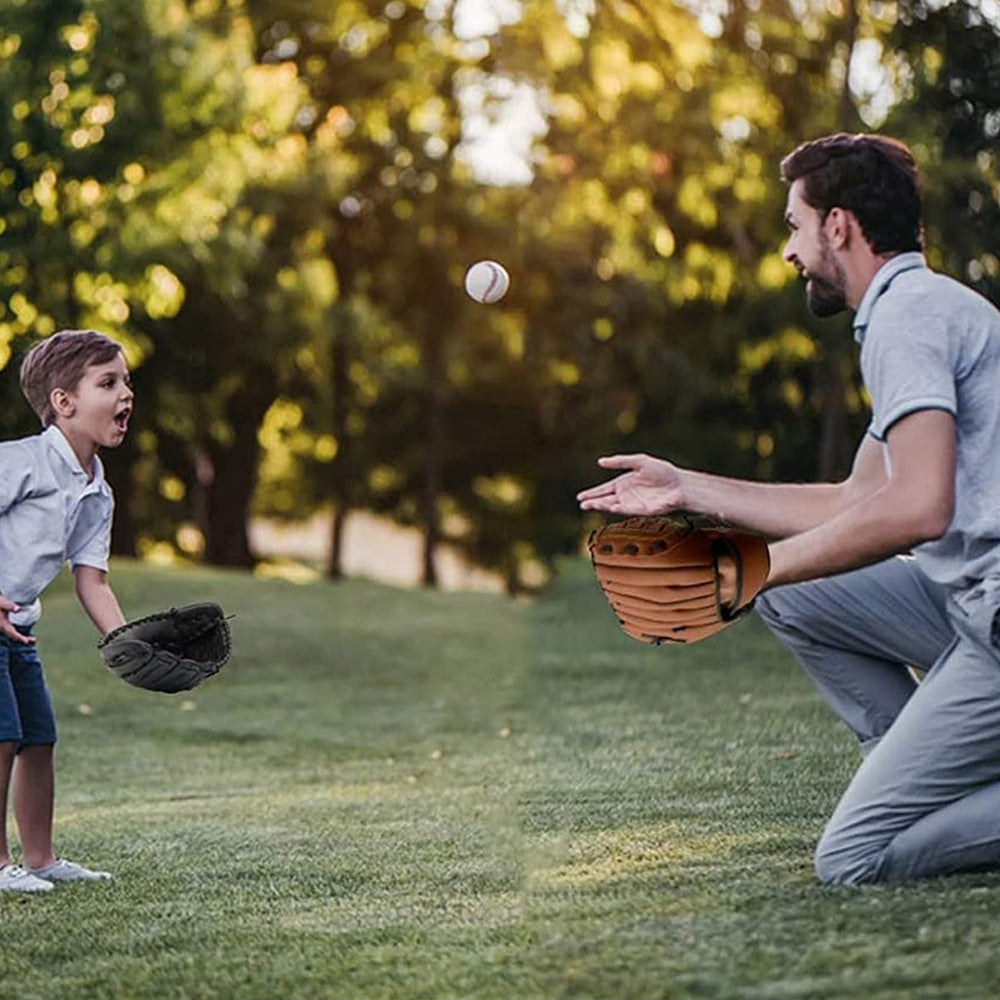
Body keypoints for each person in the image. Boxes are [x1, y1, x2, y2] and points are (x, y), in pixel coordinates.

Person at [577, 133, 1000, 886]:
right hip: (970, 604)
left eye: (795, 226)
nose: (789, 251)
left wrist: (751, 568)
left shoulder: (906, 319)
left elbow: (918, 509)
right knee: (795, 595)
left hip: (991, 622)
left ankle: (928, 796)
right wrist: (687, 489)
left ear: (838, 225)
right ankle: (929, 777)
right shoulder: (926, 306)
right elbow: (855, 500)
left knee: (852, 858)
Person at [0, 329, 133, 893]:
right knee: (1, 736)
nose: (126, 395)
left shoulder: (97, 491)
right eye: (108, 383)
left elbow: (92, 581)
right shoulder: (21, 462)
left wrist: (129, 643)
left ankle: (40, 859)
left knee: (38, 738)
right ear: (63, 402)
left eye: (127, 382)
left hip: (18, 628)